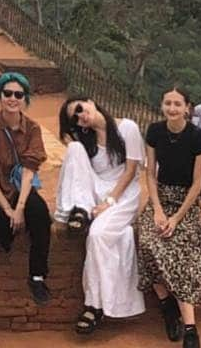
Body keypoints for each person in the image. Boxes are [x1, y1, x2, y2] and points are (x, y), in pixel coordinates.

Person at [56, 96, 145, 335]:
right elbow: (80, 172)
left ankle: (94, 305)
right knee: (74, 150)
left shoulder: (127, 128)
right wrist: (72, 136)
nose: (81, 116)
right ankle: (80, 210)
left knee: (96, 236)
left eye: (80, 109)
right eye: (75, 118)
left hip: (123, 193)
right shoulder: (85, 140)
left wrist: (109, 201)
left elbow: (131, 171)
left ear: (90, 102)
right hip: (96, 192)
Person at [0, 72, 52, 307]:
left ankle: (37, 275)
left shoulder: (32, 128)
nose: (12, 98)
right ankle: (7, 232)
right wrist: (8, 210)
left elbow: (29, 169)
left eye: (18, 94)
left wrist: (21, 207)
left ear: (25, 99)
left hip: (18, 190)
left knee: (41, 215)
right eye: (7, 93)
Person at [138, 85, 201, 348]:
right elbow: (150, 173)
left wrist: (177, 217)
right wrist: (157, 210)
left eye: (177, 104)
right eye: (168, 103)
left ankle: (190, 327)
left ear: (187, 108)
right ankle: (167, 305)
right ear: (162, 105)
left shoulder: (197, 137)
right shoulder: (155, 132)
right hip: (161, 198)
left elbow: (198, 183)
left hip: (186, 202)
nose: (172, 108)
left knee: (179, 248)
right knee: (147, 241)